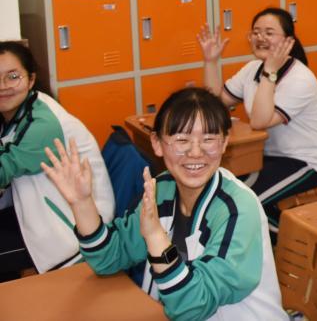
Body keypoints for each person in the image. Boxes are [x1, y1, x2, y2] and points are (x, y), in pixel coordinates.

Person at [42, 87, 287, 320]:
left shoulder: (237, 208)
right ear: (157, 143)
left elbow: (193, 306)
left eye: (209, 139)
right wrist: (82, 203)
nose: (195, 152)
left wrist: (155, 237)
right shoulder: (163, 190)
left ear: (224, 143)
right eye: (181, 140)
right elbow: (108, 258)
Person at [197, 7, 317, 236]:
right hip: (269, 156)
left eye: (269, 33)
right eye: (256, 32)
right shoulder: (252, 69)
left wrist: (270, 71)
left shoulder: (300, 78)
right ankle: (274, 238)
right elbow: (215, 104)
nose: (261, 38)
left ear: (288, 41)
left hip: (306, 161)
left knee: (248, 203)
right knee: (223, 189)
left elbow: (259, 122)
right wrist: (210, 61)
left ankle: (292, 245)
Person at [0, 41, 115, 280]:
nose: (3, 86)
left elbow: (3, 170)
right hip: (33, 212)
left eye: (13, 77)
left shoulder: (43, 124)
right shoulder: (18, 112)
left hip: (73, 229)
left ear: (31, 79)